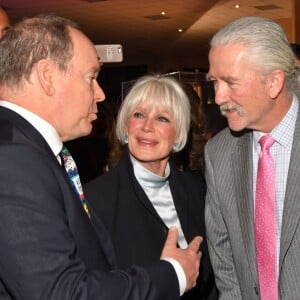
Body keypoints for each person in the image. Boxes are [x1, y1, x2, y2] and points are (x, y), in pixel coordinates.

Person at [0, 15, 202, 299]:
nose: (100, 93)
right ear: (47, 76)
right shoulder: (13, 159)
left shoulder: (26, 150)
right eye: (92, 77)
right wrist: (174, 273)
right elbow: (63, 293)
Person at [85, 74, 218, 300]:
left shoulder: (198, 189)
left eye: (163, 119)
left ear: (178, 134)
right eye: (139, 115)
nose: (147, 126)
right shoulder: (94, 200)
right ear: (126, 126)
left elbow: (212, 279)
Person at [204, 16, 300, 299]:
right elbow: (224, 259)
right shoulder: (218, 153)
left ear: (273, 83)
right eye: (214, 82)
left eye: (231, 82)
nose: (219, 97)